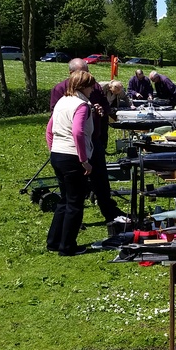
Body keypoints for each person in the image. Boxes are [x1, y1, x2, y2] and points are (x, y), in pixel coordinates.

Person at [51, 59, 126, 224]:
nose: (87, 75)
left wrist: (99, 111)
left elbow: (106, 108)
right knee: (73, 190)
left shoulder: (95, 86)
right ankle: (71, 221)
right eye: (82, 72)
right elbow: (57, 119)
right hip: (72, 146)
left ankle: (109, 211)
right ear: (72, 74)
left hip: (94, 140)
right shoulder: (60, 89)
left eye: (87, 71)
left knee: (101, 179)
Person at [46, 70, 97, 256]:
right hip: (72, 157)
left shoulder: (62, 101)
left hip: (58, 154)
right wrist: (84, 160)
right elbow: (78, 132)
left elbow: (49, 129)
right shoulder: (81, 105)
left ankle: (53, 241)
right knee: (75, 203)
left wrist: (53, 148)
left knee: (64, 200)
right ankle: (67, 246)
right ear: (83, 87)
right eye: (91, 85)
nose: (93, 89)